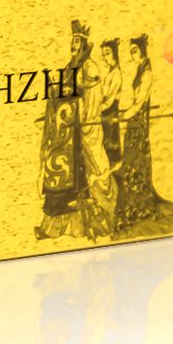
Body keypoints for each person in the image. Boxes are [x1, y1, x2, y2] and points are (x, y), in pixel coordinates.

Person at [35, 20, 117, 241]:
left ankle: (96, 223)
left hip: (82, 131)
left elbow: (91, 102)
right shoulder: (70, 66)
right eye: (72, 41)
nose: (73, 45)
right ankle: (56, 227)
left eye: (77, 41)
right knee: (60, 180)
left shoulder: (90, 68)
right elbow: (64, 90)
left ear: (84, 44)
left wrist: (82, 119)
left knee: (88, 176)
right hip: (67, 134)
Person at [113, 34, 173, 235]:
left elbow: (140, 103)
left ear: (143, 51)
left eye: (135, 51)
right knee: (130, 162)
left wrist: (125, 115)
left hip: (138, 123)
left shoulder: (146, 73)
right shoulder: (140, 69)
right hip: (134, 122)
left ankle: (139, 209)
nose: (132, 55)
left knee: (136, 163)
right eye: (131, 51)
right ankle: (132, 207)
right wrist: (127, 114)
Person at [99, 39, 122, 168]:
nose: (105, 57)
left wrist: (97, 110)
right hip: (105, 111)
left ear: (114, 53)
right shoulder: (110, 72)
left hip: (110, 112)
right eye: (103, 54)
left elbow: (110, 100)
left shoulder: (116, 74)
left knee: (111, 143)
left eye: (107, 53)